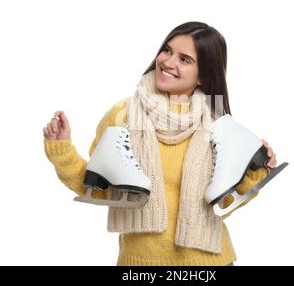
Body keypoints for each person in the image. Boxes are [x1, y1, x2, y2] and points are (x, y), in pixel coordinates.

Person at [43, 21, 277, 266]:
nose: (167, 62)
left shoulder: (217, 125)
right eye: (167, 50)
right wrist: (62, 150)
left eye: (185, 59)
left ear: (204, 76)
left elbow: (223, 204)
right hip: (140, 265)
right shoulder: (123, 117)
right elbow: (97, 188)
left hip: (209, 264)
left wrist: (254, 171)